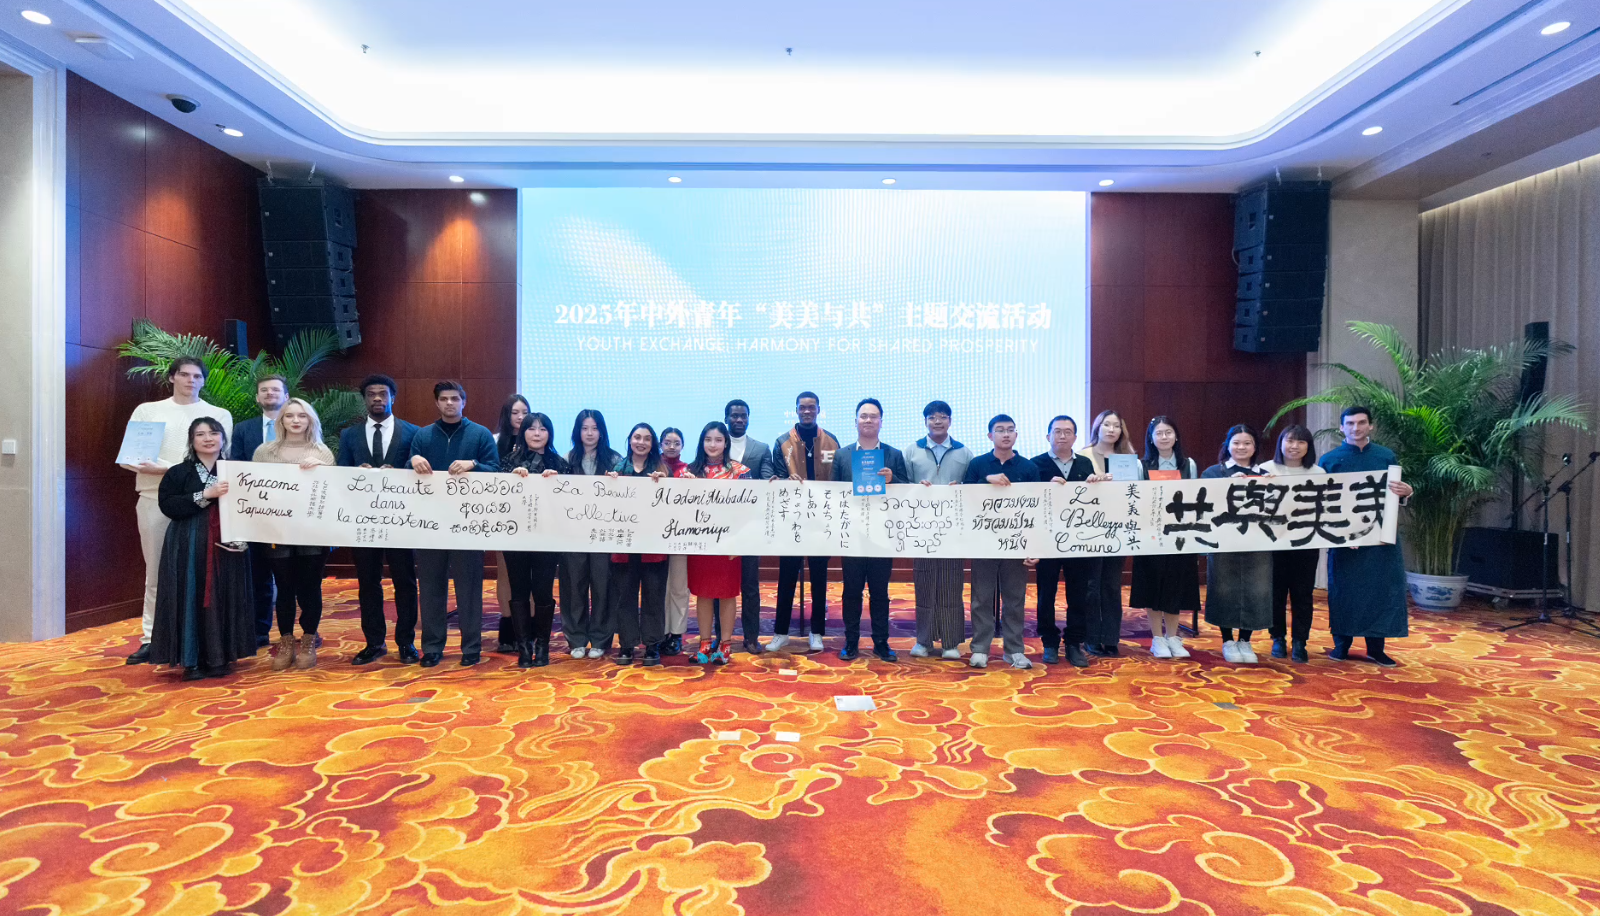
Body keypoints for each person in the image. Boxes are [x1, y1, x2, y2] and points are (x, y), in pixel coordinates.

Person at [121, 356, 234, 665]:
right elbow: (131, 458)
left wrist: (168, 469)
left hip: (206, 504)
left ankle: (196, 639)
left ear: (204, 380)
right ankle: (150, 638)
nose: (190, 380)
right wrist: (170, 472)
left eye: (197, 376)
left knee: (201, 572)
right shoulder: (148, 411)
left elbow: (220, 459)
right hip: (154, 499)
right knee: (157, 571)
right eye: (184, 375)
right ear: (172, 377)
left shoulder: (218, 415)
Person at [148, 417, 256, 680]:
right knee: (191, 594)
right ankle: (191, 661)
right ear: (191, 441)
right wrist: (206, 495)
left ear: (223, 438)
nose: (208, 438)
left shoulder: (236, 470)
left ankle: (221, 657)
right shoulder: (178, 472)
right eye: (200, 434)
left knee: (225, 594)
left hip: (228, 542)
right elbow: (168, 505)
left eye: (214, 433)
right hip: (189, 541)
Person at [407, 381, 499, 668]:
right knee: (431, 588)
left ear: (463, 402)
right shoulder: (423, 436)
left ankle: (471, 647)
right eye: (444, 399)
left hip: (468, 525)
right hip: (430, 525)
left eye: (455, 398)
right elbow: (405, 474)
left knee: (469, 590)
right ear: (437, 403)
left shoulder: (480, 434)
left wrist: (474, 464)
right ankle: (432, 647)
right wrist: (413, 460)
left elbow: (496, 472)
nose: (449, 403)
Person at [1318, 406, 1413, 667]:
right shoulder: (1329, 460)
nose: (1356, 428)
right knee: (1344, 591)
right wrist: (1340, 534)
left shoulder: (1386, 456)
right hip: (1345, 541)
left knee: (1380, 590)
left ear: (1371, 426)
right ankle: (1341, 645)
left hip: (1381, 538)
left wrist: (1406, 492)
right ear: (1341, 428)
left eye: (1361, 423)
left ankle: (1376, 648)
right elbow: (1323, 503)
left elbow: (1394, 495)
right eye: (1350, 423)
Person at [337, 375, 421, 665]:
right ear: (364, 399)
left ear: (393, 397)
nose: (377, 398)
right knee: (368, 582)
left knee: (405, 581)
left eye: (383, 393)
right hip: (363, 521)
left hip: (400, 519)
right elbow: (340, 473)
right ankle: (374, 642)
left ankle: (406, 642)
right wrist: (355, 474)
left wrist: (400, 473)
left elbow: (420, 472)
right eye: (371, 394)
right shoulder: (349, 435)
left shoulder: (413, 432)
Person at [251, 398, 336, 670]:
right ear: (281, 420)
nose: (296, 421)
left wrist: (323, 470)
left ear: (311, 420)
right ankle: (286, 640)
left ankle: (309, 638)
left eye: (302, 416)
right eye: (290, 416)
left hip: (313, 532)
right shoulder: (264, 452)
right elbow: (254, 490)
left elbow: (332, 493)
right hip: (277, 531)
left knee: (310, 586)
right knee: (284, 586)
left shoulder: (322, 452)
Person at [831, 398, 909, 661]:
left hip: (882, 533)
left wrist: (893, 479)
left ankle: (881, 643)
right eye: (863, 416)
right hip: (852, 533)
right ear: (855, 421)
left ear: (881, 422)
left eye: (873, 416)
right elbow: (832, 492)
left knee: (880, 593)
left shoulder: (893, 455)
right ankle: (851, 641)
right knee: (851, 591)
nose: (868, 420)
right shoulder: (842, 455)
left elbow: (907, 490)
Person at [963, 414, 1040, 669]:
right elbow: (964, 496)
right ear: (990, 435)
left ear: (1016, 435)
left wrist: (1034, 545)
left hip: (1016, 543)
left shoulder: (1028, 468)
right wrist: (986, 481)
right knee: (981, 598)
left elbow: (1037, 509)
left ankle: (1014, 650)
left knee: (1015, 599)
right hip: (984, 541)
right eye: (1000, 430)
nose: (1005, 434)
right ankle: (980, 649)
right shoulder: (978, 464)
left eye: (1010, 430)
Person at [1032, 414, 1105, 668]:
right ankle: (1049, 641)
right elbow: (1028, 501)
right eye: (1057, 431)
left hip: (1078, 540)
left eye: (1067, 432)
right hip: (1047, 539)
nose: (1062, 436)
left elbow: (1096, 501)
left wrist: (1095, 483)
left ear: (1075, 437)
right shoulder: (1036, 464)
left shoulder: (1085, 463)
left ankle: (1074, 642)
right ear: (1048, 436)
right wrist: (1045, 486)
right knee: (1046, 593)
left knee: (1078, 593)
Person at [769, 391, 840, 653]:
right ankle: (781, 632)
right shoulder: (782, 442)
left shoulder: (831, 441)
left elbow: (838, 480)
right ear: (796, 410)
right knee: (786, 576)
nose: (807, 411)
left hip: (822, 519)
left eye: (811, 407)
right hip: (792, 519)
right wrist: (784, 481)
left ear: (818, 409)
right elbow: (776, 477)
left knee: (819, 577)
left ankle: (817, 632)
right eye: (802, 407)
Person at [677, 421, 752, 664]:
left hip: (729, 543)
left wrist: (739, 541)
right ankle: (705, 644)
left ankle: (726, 645)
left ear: (726, 443)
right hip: (699, 543)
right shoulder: (688, 472)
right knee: (703, 593)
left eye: (718, 440)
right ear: (701, 442)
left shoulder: (740, 471)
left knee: (728, 593)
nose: (712, 444)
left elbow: (748, 510)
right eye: (708, 439)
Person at [1128, 416, 1202, 660]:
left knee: (1176, 585)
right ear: (1151, 438)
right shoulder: (1141, 465)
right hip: (1151, 535)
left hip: (1180, 535)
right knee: (1153, 585)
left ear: (1176, 436)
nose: (1164, 437)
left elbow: (1195, 497)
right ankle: (1157, 638)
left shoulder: (1188, 464)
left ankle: (1173, 637)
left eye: (1168, 432)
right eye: (1158, 433)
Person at [905, 400, 973, 660]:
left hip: (953, 529)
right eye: (932, 417)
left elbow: (973, 489)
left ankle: (950, 642)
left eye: (942, 417)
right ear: (925, 421)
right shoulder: (912, 451)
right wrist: (916, 488)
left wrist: (962, 488)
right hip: (921, 528)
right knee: (924, 583)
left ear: (950, 421)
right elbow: (901, 487)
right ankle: (923, 640)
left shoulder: (964, 453)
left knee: (951, 583)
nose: (937, 421)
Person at [1201, 424, 1273, 664]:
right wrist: (1227, 485)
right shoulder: (1214, 472)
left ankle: (1245, 640)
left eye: (1247, 443)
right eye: (1236, 443)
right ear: (1228, 445)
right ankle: (1227, 640)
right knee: (1224, 589)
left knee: (1256, 589)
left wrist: (1274, 487)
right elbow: (1203, 504)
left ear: (1255, 447)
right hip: (1224, 542)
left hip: (1257, 543)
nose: (1241, 447)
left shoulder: (1264, 474)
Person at [502, 412, 568, 667]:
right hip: (515, 538)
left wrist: (558, 482)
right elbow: (498, 499)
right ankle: (523, 647)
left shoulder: (560, 464)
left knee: (542, 591)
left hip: (548, 538)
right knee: (519, 589)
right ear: (523, 432)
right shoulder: (508, 462)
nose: (537, 434)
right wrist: (511, 480)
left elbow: (570, 503)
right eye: (531, 429)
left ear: (550, 433)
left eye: (543, 429)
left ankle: (542, 647)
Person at [230, 374, 287, 647]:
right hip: (255, 511)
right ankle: (260, 630)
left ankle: (302, 632)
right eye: (264, 390)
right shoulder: (243, 429)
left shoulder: (299, 425)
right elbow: (236, 465)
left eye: (275, 389)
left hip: (292, 513)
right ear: (257, 397)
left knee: (294, 576)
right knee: (259, 573)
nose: (269, 393)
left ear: (286, 396)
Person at [606, 423, 669, 666]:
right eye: (637, 437)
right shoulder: (617, 470)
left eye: (647, 438)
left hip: (653, 546)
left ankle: (652, 644)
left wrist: (665, 484)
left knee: (654, 595)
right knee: (624, 596)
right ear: (630, 440)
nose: (641, 442)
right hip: (624, 545)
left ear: (653, 444)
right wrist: (610, 484)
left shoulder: (662, 470)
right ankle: (627, 644)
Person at [1077, 409, 1137, 657]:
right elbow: (1074, 492)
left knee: (1112, 584)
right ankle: (1091, 637)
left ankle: (1111, 637)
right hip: (1089, 528)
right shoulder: (1083, 455)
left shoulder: (1128, 457)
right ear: (1097, 427)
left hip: (1118, 527)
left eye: (1116, 426)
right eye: (1107, 424)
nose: (1112, 430)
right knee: (1092, 584)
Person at [564, 409, 621, 659]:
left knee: (603, 585)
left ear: (602, 431)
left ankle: (600, 638)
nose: (589, 433)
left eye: (594, 428)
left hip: (603, 534)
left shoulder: (615, 460)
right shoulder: (566, 459)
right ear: (578, 431)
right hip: (573, 534)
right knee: (573, 585)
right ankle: (576, 638)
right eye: (585, 428)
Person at [1265, 424, 1321, 663]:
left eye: (1301, 442)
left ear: (1308, 447)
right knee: (1275, 593)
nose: (1294, 446)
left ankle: (1300, 641)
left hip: (1306, 544)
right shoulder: (1266, 469)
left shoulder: (1319, 473)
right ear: (1281, 443)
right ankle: (1277, 637)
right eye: (1289, 440)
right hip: (1274, 543)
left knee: (1303, 594)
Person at [725, 399, 775, 654]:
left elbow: (766, 478)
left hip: (749, 526)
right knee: (720, 585)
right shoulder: (716, 445)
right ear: (726, 418)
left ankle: (751, 637)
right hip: (720, 528)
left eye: (743, 415)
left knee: (750, 585)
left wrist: (772, 482)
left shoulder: (761, 448)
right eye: (734, 416)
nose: (739, 420)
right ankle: (720, 636)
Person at [492, 394, 532, 653]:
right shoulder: (495, 441)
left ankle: (528, 626)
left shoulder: (537, 438)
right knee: (505, 572)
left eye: (524, 412)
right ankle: (507, 624)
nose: (520, 417)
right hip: (502, 517)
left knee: (530, 574)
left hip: (532, 517)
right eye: (515, 413)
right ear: (506, 416)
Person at [658, 427, 692, 656]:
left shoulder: (689, 470)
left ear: (682, 446)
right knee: (657, 587)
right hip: (653, 537)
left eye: (676, 443)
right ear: (660, 444)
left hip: (681, 536)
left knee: (679, 587)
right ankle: (659, 631)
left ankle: (676, 634)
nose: (671, 447)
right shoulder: (652, 467)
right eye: (667, 442)